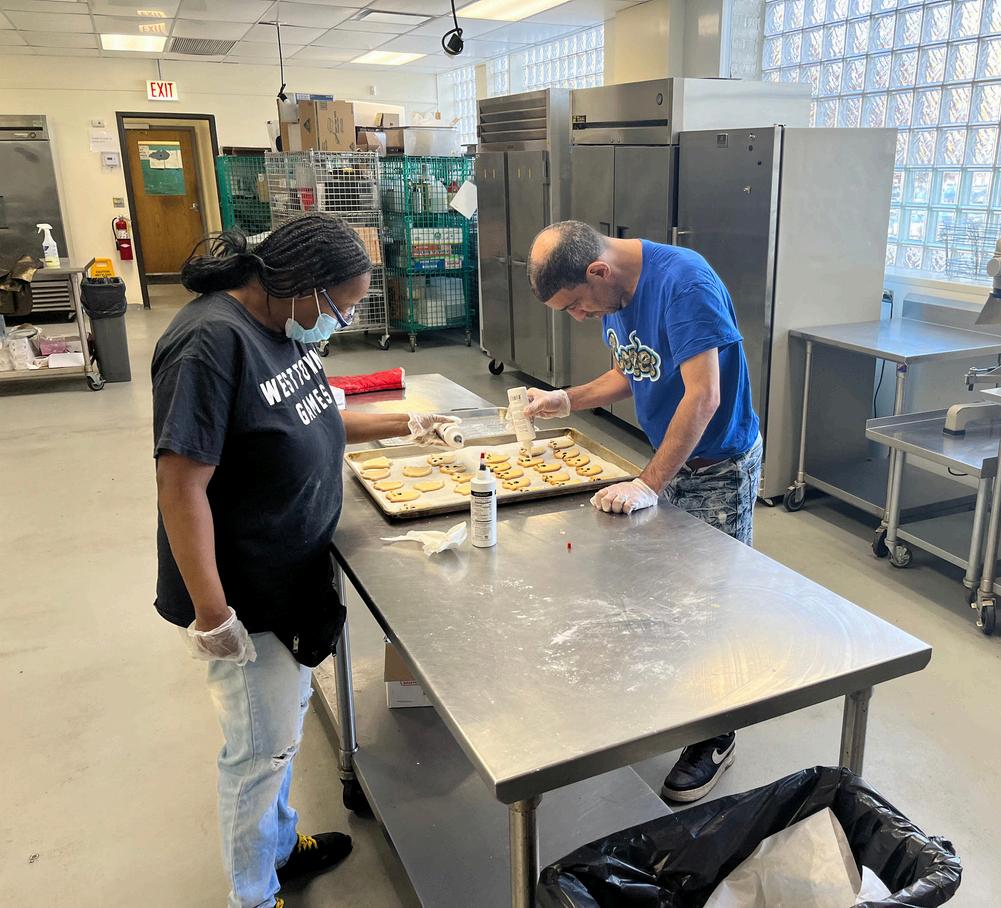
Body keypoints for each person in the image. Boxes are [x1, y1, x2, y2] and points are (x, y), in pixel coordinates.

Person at [153, 215, 457, 908]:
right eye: (340, 306)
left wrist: (409, 422)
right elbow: (181, 484)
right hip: (245, 591)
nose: (341, 320)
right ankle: (254, 896)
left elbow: (314, 413)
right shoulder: (210, 343)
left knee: (280, 734)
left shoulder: (282, 327)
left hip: (291, 571)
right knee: (257, 754)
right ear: (299, 284)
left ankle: (280, 847)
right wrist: (213, 615)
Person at [525, 220, 762, 803]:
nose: (580, 317)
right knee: (663, 589)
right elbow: (634, 368)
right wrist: (567, 399)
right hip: (672, 463)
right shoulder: (617, 291)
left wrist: (649, 482)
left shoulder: (684, 284)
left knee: (707, 601)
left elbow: (703, 394)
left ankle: (716, 735)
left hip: (716, 466)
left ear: (598, 271)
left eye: (577, 305)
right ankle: (673, 705)